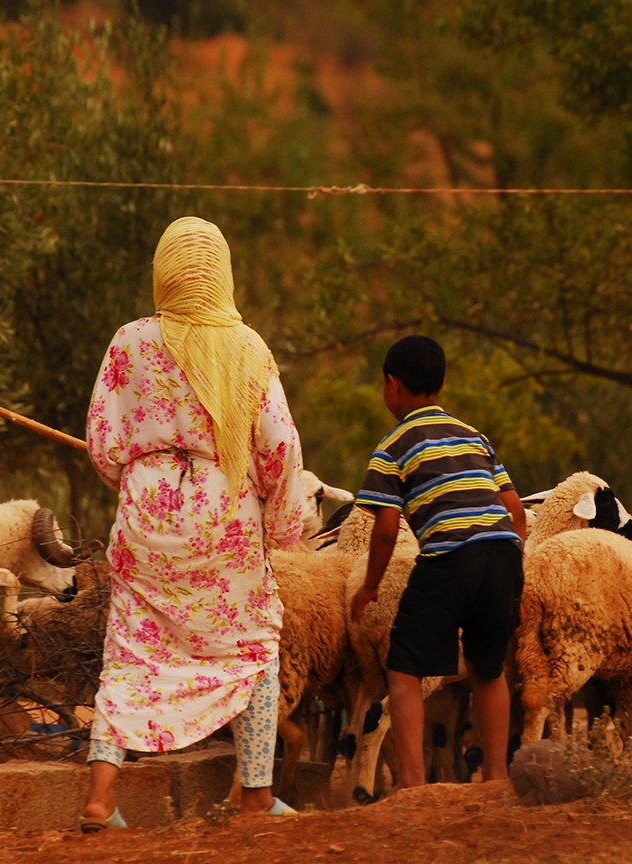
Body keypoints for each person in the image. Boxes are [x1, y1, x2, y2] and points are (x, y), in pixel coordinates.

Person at [80, 216, 307, 831]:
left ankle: (102, 795)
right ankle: (255, 797)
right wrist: (287, 527)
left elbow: (103, 443)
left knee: (128, 645)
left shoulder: (130, 341)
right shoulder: (249, 349)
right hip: (222, 517)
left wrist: (137, 480)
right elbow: (279, 451)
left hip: (146, 514)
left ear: (164, 272)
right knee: (253, 644)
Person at [349, 335, 526, 791]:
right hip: (503, 553)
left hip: (450, 555)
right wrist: (515, 588)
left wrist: (370, 587)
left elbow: (387, 529)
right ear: (442, 383)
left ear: (391, 385)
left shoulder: (393, 446)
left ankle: (412, 786)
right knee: (488, 669)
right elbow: (516, 512)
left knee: (404, 666)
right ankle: (497, 779)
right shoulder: (475, 436)